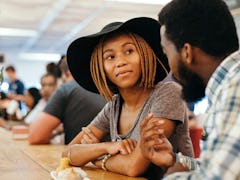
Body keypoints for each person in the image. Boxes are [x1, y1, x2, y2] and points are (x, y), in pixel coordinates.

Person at [63, 17, 193, 179]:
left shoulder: (168, 93)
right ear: (101, 68)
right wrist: (107, 147)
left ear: (145, 54)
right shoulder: (114, 106)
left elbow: (134, 167)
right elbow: (67, 153)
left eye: (129, 51)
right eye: (110, 57)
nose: (120, 62)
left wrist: (93, 156)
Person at [140, 0, 240, 179]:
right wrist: (174, 160)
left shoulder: (236, 85)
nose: (170, 65)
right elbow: (222, 165)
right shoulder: (227, 85)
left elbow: (218, 177)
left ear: (186, 52)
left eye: (166, 52)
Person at [28, 57, 107, 144]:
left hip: (79, 154)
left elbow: (35, 137)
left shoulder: (67, 89)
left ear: (67, 74)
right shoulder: (106, 88)